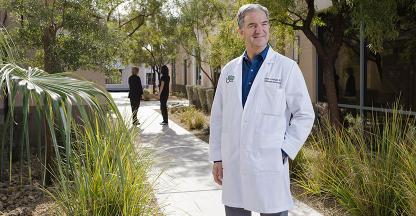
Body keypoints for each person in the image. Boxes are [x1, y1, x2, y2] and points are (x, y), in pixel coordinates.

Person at [209, 4, 315, 216]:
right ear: (241, 31)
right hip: (234, 164)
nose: (260, 30)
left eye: (264, 24)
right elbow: (218, 117)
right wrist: (218, 158)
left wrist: (285, 150)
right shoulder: (229, 71)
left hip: (269, 164)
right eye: (252, 25)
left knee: (273, 209)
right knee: (236, 210)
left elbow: (305, 114)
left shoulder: (286, 68)